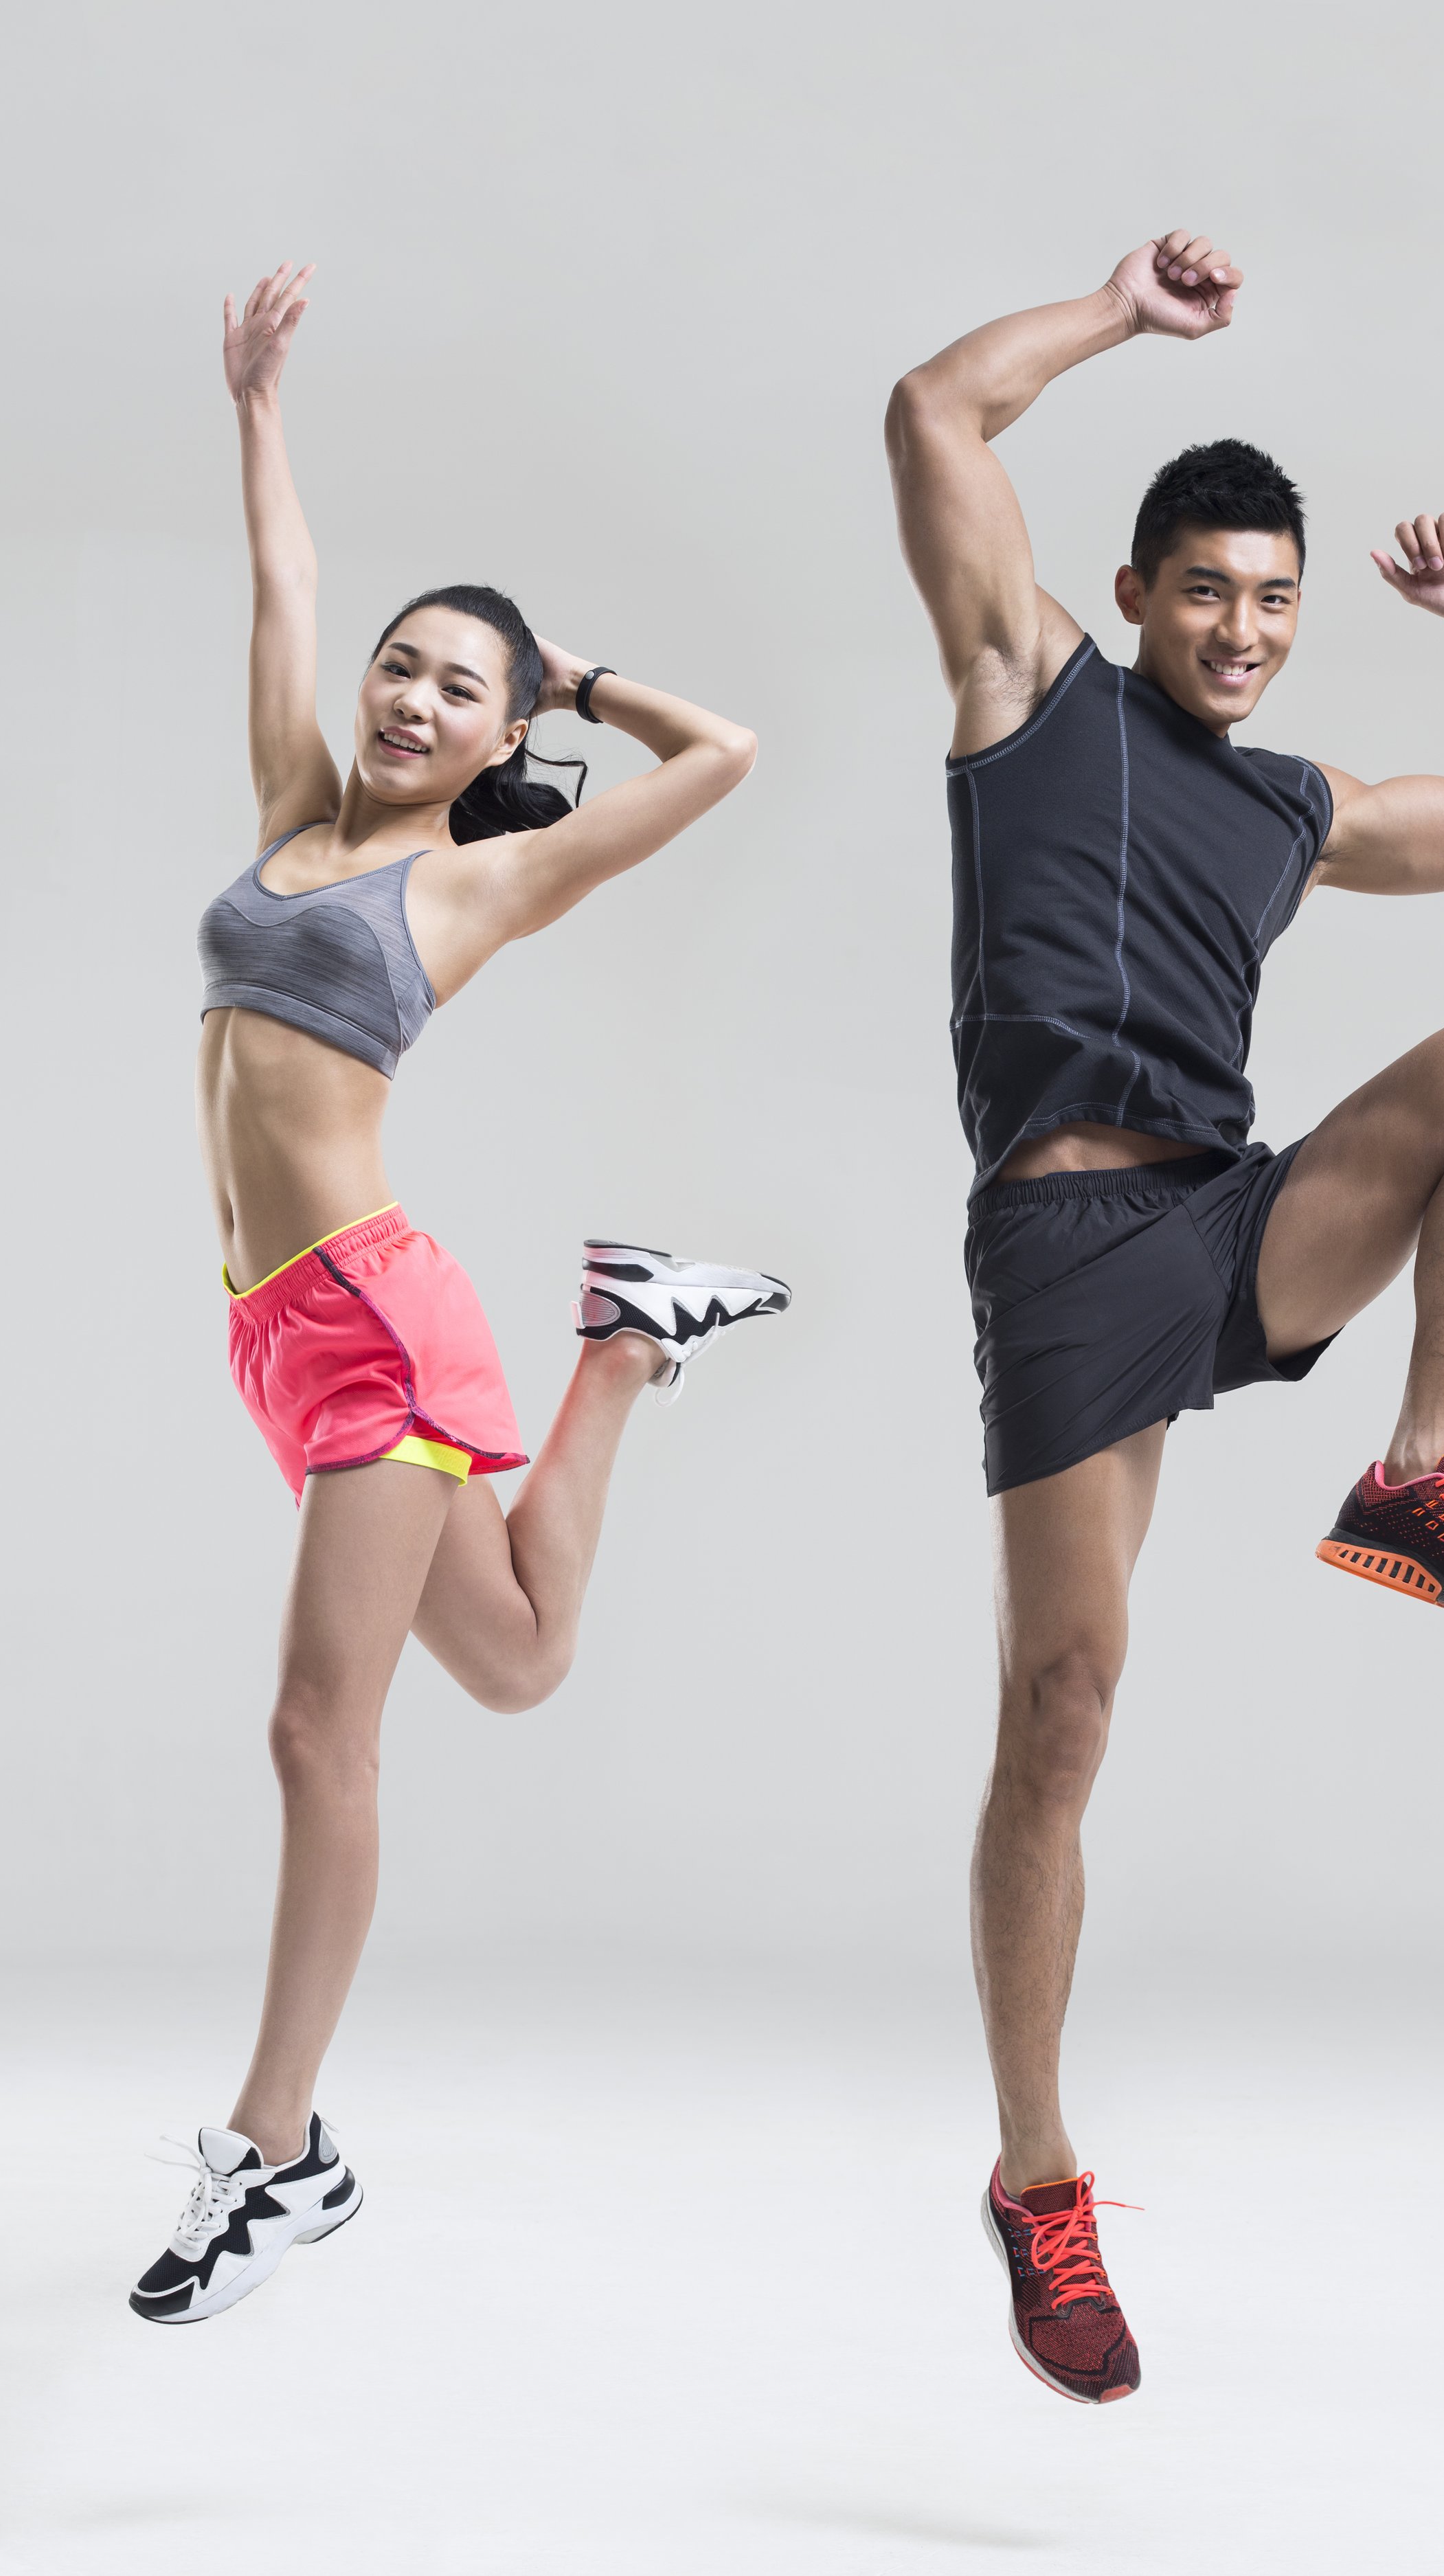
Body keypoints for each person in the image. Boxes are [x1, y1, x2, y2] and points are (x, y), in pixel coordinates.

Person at [885, 229, 1444, 2404]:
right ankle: (1036, 2184)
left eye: (1273, 601)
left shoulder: (1292, 807)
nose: (1245, 632)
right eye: (1209, 589)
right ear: (1135, 587)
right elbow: (930, 413)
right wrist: (1121, 314)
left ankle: (1417, 1477)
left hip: (1233, 1218)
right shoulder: (1032, 693)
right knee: (1064, 1714)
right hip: (1064, 1248)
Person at [131, 264, 789, 2325]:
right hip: (277, 1330)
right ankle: (626, 1336)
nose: (409, 699)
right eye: (400, 670)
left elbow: (727, 749)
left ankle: (275, 2154)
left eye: (454, 691)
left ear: (498, 739)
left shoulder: (480, 876)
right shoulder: (290, 823)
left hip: (378, 1318)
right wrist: (255, 407)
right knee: (513, 1664)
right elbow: (282, 587)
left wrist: (567, 669)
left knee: (321, 1730)